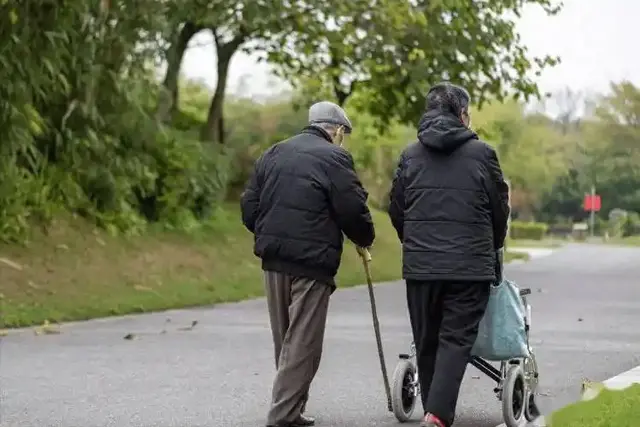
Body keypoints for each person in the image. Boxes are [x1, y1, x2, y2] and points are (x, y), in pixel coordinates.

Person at [240, 101, 376, 427]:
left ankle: (292, 409)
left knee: (286, 339)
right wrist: (364, 237)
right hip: (312, 263)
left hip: (274, 260)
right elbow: (351, 207)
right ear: (338, 130)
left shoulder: (274, 153)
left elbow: (249, 206)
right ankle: (282, 415)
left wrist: (269, 231)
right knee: (302, 341)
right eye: (343, 133)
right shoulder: (335, 157)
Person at [387, 82, 510, 427]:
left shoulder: (410, 155)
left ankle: (434, 411)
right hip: (470, 267)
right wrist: (493, 245)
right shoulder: (483, 154)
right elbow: (499, 210)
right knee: (455, 339)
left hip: (422, 267)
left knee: (427, 340)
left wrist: (413, 241)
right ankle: (437, 416)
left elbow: (397, 209)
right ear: (462, 114)